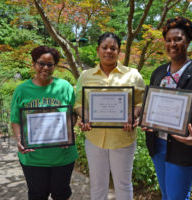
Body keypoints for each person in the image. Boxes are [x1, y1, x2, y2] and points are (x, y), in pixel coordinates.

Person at [144, 17, 192, 200]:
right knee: (166, 195)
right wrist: (145, 118)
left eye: (178, 39)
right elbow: (150, 105)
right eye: (169, 40)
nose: (173, 44)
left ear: (188, 41)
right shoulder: (158, 73)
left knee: (176, 197)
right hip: (158, 145)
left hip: (185, 146)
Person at [74, 32, 145, 200]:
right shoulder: (86, 76)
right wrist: (85, 117)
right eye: (104, 47)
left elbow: (141, 103)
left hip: (123, 138)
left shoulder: (133, 75)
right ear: (98, 50)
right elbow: (78, 103)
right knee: (98, 184)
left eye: (113, 48)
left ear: (119, 51)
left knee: (123, 184)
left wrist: (132, 115)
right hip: (94, 138)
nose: (108, 51)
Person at [11, 46, 78, 200]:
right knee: (37, 195)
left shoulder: (65, 87)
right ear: (34, 64)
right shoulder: (22, 90)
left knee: (61, 195)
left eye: (50, 64)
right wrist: (20, 139)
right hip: (33, 158)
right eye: (41, 63)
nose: (45, 68)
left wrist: (69, 130)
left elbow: (73, 114)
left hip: (63, 156)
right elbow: (15, 120)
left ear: (55, 66)